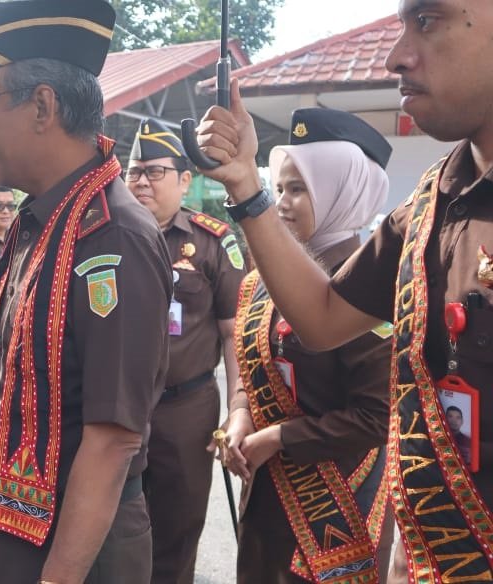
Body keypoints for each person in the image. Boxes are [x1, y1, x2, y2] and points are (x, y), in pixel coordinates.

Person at [195, 2, 493, 578]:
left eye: (427, 21)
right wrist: (245, 186)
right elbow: (323, 317)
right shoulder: (431, 205)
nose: (396, 55)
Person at [0, 2, 173, 583]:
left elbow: (113, 437)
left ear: (43, 106)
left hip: (73, 543)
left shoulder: (113, 236)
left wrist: (58, 576)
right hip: (11, 520)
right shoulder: (42, 219)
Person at [216, 108, 394, 582]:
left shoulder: (369, 287)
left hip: (338, 505)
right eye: (279, 189)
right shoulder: (260, 282)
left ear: (344, 192)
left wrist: (278, 438)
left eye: (299, 189)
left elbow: (377, 415)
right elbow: (252, 370)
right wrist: (240, 416)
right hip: (268, 501)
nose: (284, 204)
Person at [125, 117, 245, 584]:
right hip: (122, 405)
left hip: (187, 407)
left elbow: (233, 333)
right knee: (116, 525)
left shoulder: (212, 240)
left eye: (155, 172)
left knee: (178, 528)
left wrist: (238, 408)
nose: (141, 182)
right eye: (134, 171)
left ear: (184, 180)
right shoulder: (107, 236)